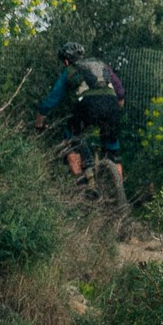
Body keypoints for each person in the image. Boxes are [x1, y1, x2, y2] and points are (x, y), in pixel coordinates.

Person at [33, 41, 130, 214]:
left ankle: (82, 184)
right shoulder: (102, 66)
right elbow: (121, 95)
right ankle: (121, 198)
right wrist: (112, 111)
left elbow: (52, 99)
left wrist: (39, 121)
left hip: (87, 105)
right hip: (112, 106)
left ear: (66, 61)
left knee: (71, 135)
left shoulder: (70, 70)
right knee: (112, 149)